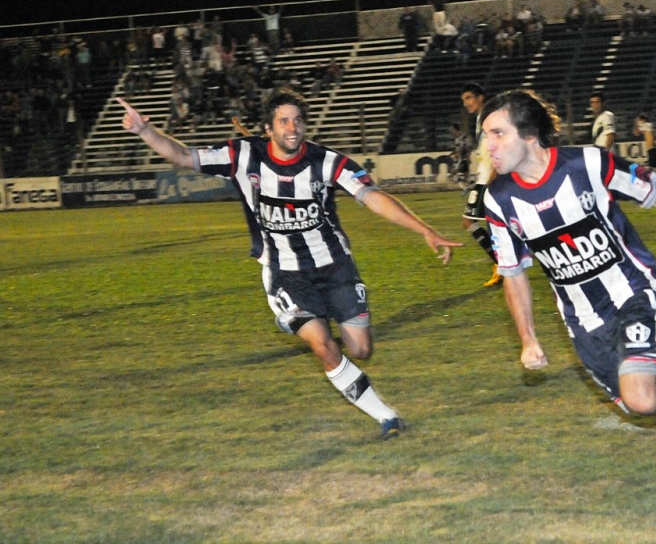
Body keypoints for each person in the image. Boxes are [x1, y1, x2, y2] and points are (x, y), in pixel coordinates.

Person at [480, 88, 656, 515]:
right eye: (485, 136)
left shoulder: (589, 164)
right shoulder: (497, 200)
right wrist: (528, 338)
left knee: (642, 396)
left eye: (497, 134)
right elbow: (514, 272)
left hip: (633, 291)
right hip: (582, 322)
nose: (488, 146)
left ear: (529, 135)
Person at [116, 89, 462, 440]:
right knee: (323, 345)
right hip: (284, 271)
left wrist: (424, 230)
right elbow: (185, 156)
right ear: (268, 127)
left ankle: (314, 320)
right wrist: (146, 131)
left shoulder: (326, 161)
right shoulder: (242, 155)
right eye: (283, 121)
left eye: (298, 120)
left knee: (361, 349)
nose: (292, 127)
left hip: (334, 266)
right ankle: (386, 416)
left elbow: (371, 197)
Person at [460, 82, 502, 287]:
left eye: (469, 98)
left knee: (470, 221)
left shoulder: (488, 118)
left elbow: (499, 144)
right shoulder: (481, 118)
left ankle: (500, 265)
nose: (466, 103)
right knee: (492, 224)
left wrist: (495, 172)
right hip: (484, 177)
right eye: (464, 99)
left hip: (489, 178)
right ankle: (501, 264)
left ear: (480, 97)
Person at [448, 123, 471, 191]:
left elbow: (469, 147)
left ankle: (466, 188)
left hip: (463, 160)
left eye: (452, 130)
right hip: (460, 160)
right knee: (465, 178)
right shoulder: (457, 139)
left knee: (453, 174)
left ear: (455, 129)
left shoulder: (464, 137)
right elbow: (458, 149)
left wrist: (467, 157)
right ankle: (469, 187)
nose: (451, 132)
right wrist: (453, 153)